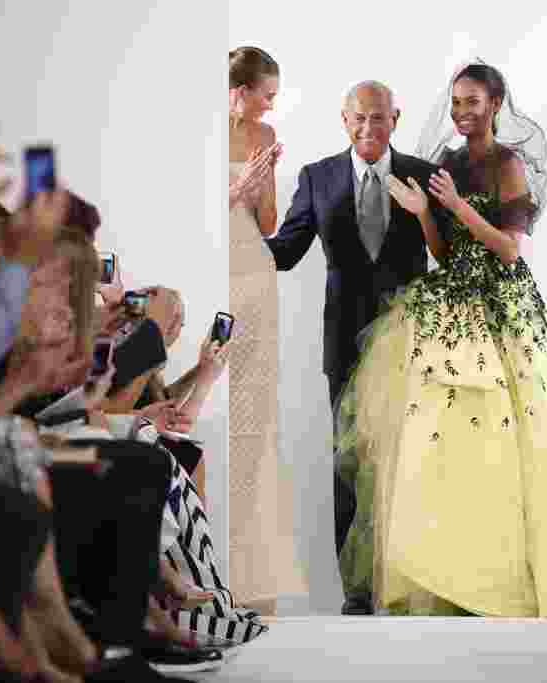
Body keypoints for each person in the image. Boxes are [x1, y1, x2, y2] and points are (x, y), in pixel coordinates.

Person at [332, 61, 547, 617]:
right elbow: (444, 252)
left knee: (506, 435)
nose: (461, 112)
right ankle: (446, 571)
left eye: (472, 102)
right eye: (455, 102)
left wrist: (457, 206)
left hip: (498, 303)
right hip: (450, 298)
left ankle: (504, 574)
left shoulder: (507, 162)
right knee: (439, 438)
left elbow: (511, 249)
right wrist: (426, 214)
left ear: (495, 104)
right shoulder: (445, 162)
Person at [266, 78, 449, 615]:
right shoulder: (317, 177)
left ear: (396, 117)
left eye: (379, 116)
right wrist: (235, 214)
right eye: (358, 118)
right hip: (345, 340)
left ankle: (410, 582)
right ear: (343, 121)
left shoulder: (423, 174)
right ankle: (357, 592)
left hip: (411, 338)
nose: (369, 127)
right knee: (348, 462)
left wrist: (423, 214)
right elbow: (284, 253)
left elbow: (449, 254)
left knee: (411, 460)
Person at [227, 46, 305, 612]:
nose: (271, 104)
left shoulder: (265, 135)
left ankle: (252, 576)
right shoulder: (195, 131)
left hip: (254, 270)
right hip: (211, 265)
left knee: (254, 411)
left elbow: (272, 224)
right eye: (267, 94)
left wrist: (260, 189)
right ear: (241, 89)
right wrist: (231, 191)